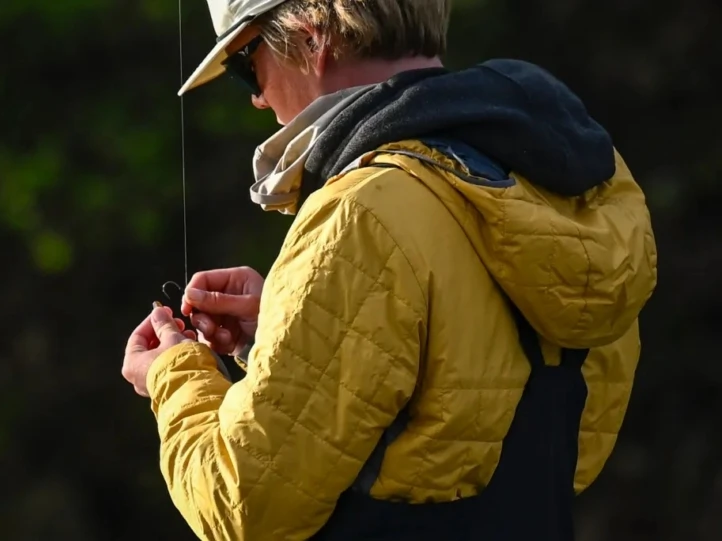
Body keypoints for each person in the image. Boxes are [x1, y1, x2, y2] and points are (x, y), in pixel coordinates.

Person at [121, 1, 658, 539]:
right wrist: (289, 331)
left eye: (245, 66)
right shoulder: (569, 181)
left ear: (312, 40)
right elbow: (570, 453)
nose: (258, 98)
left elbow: (246, 507)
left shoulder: (361, 210)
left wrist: (175, 374)